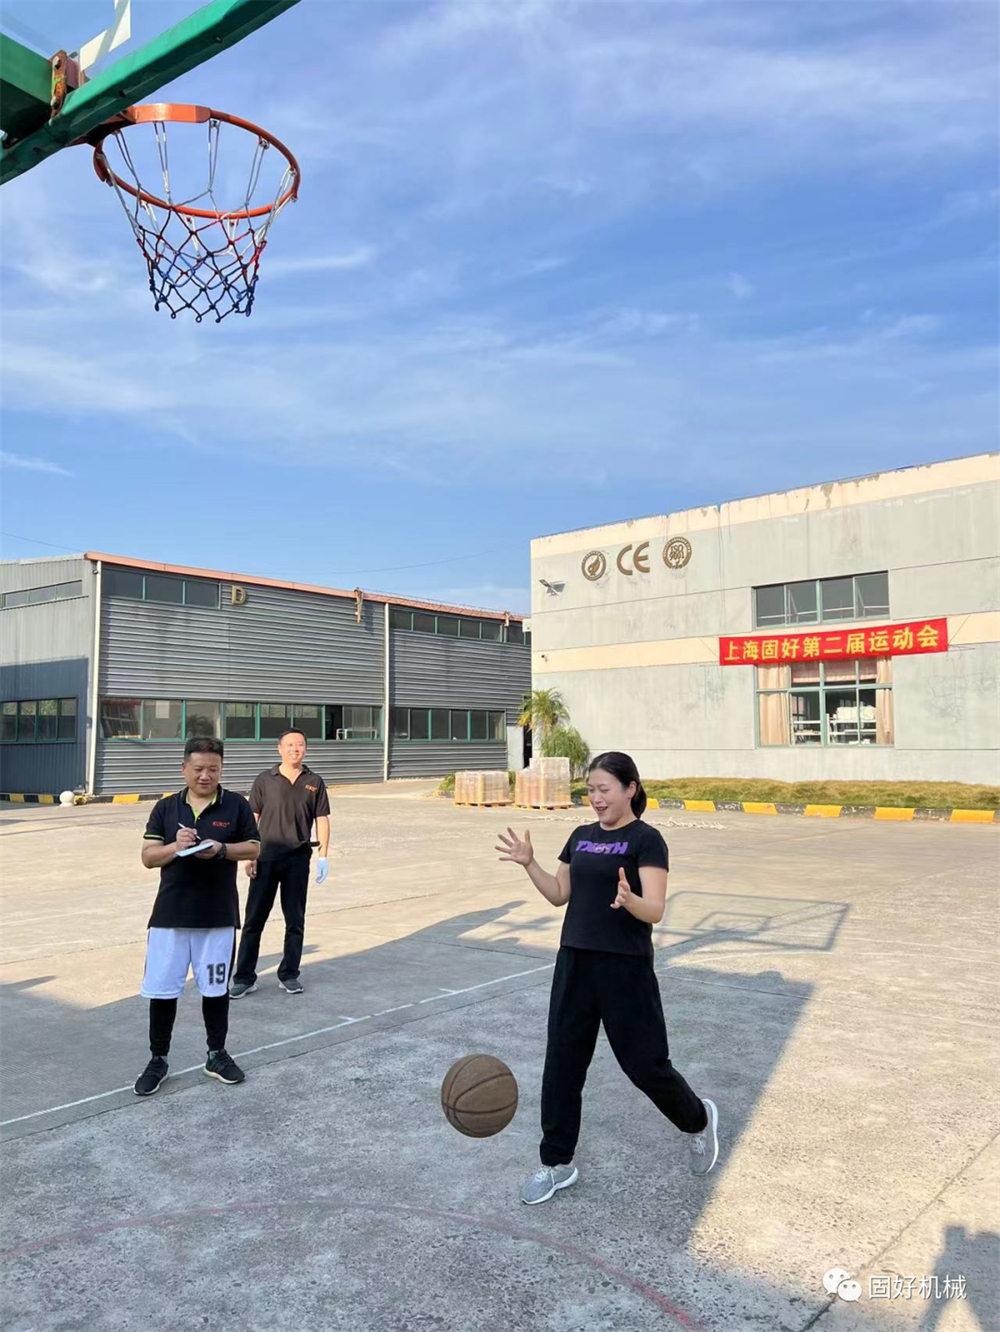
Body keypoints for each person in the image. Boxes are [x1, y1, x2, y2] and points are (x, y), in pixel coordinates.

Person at [496, 751, 719, 1205]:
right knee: (562, 1064)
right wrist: (529, 864)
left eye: (604, 789)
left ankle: (698, 1120)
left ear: (630, 789)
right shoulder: (580, 837)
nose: (596, 799)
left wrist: (630, 901)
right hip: (575, 962)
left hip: (625, 967)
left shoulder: (647, 840)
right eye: (590, 791)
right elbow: (559, 894)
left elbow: (655, 909)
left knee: (645, 1066)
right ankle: (557, 1162)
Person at [134, 736, 261, 1096]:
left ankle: (216, 1054)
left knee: (215, 990)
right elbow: (148, 856)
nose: (206, 775)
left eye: (213, 769)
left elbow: (254, 847)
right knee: (163, 991)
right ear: (184, 768)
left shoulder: (235, 804)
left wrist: (221, 849)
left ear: (221, 769)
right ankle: (158, 1060)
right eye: (199, 768)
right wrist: (176, 847)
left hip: (217, 916)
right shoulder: (166, 807)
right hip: (169, 916)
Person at [229, 727, 330, 998]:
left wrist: (323, 855)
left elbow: (322, 819)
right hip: (266, 859)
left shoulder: (314, 781)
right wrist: (250, 855)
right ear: (280, 749)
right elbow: (252, 819)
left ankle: (289, 974)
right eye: (290, 745)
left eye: (300, 745)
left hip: (297, 859)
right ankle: (244, 977)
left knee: (295, 920)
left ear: (305, 748)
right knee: (254, 919)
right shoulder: (265, 779)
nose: (295, 749)